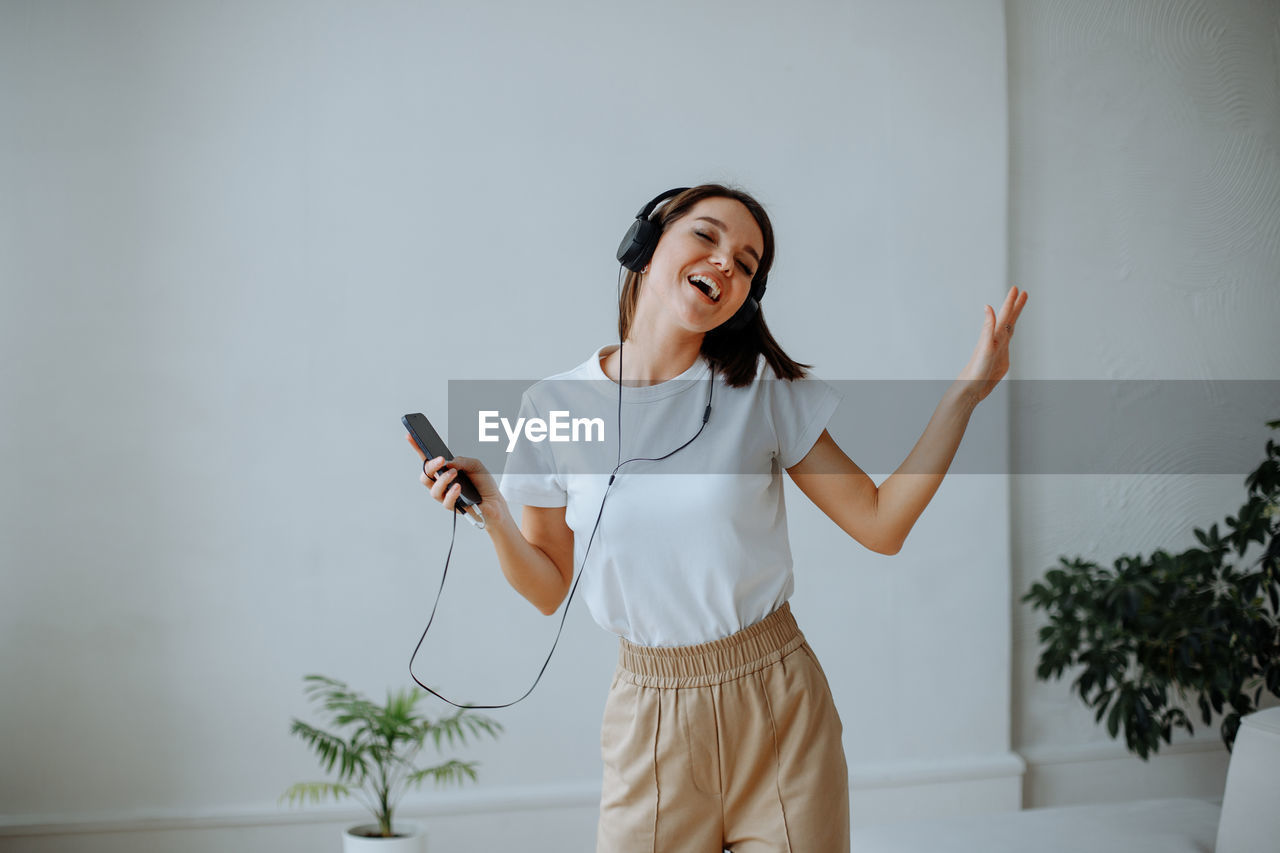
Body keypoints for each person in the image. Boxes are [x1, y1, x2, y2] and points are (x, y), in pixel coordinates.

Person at [408, 184, 1028, 852]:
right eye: (707, 236)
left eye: (748, 262)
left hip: (779, 703)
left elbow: (881, 523)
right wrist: (494, 512)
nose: (727, 262)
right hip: (650, 716)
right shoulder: (552, 405)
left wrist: (966, 396)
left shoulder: (759, 389)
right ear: (645, 248)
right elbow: (548, 586)